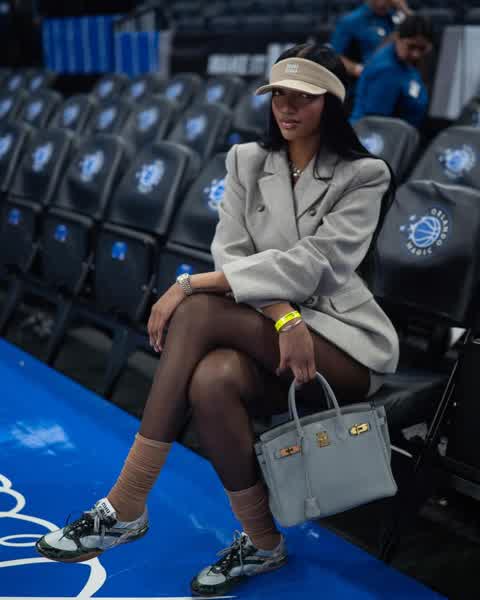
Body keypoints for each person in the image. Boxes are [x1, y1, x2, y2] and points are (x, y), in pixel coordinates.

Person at [35, 44, 400, 597]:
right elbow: (230, 252)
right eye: (279, 94)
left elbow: (316, 265)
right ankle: (262, 542)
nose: (287, 107)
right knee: (211, 380)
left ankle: (127, 501)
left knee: (199, 307)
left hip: (341, 342)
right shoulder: (245, 161)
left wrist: (189, 283)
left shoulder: (364, 174)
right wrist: (283, 317)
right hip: (275, 328)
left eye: (304, 97)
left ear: (332, 102)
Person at [350, 15, 434, 128]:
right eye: (411, 46)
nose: (416, 54)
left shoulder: (406, 62)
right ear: (398, 39)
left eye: (422, 48)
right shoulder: (386, 71)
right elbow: (377, 123)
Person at [330, 0, 412, 80]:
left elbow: (416, 33)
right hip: (367, 80)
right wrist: (359, 70)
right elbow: (334, 56)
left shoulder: (397, 19)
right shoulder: (351, 21)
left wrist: (405, 10)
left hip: (397, 77)